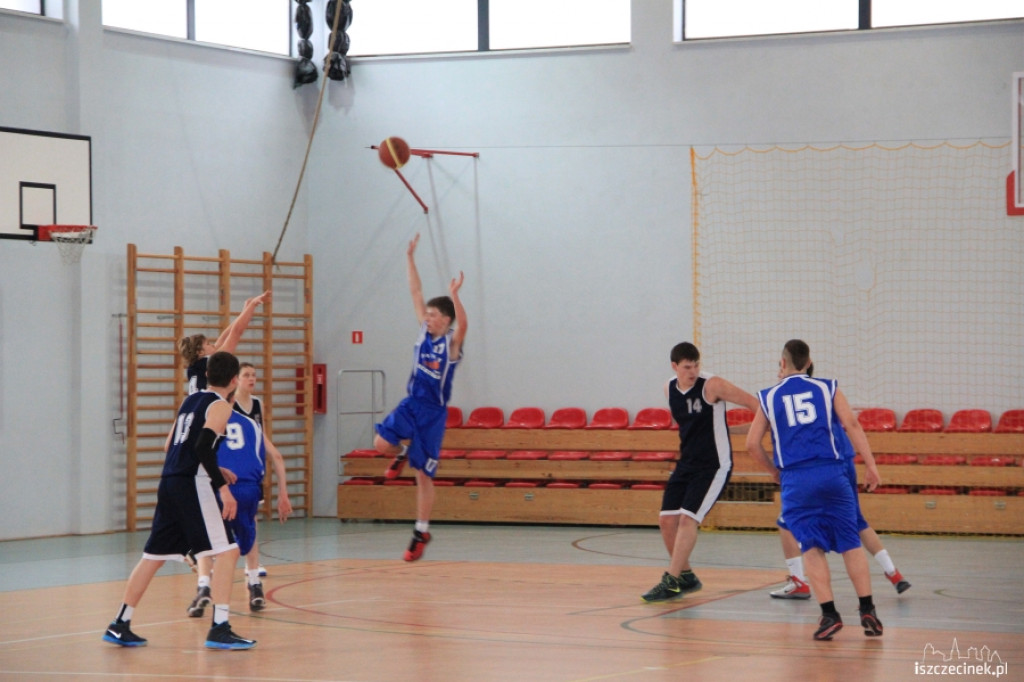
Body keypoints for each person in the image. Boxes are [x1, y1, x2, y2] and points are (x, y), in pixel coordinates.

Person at [102, 351, 256, 650]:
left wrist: (214, 466)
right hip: (190, 485)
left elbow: (171, 445)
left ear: (208, 375)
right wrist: (222, 487)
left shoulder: (190, 401)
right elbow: (201, 445)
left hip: (169, 481)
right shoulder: (220, 406)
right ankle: (220, 627)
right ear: (235, 380)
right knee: (228, 551)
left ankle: (120, 623)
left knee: (153, 556)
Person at [746, 339, 884, 641]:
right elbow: (852, 425)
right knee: (850, 541)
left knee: (810, 546)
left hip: (796, 478)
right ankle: (868, 610)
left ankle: (830, 615)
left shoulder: (769, 397)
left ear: (782, 364)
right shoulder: (826, 387)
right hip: (832, 472)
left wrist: (774, 472)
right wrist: (871, 465)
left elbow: (751, 444)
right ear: (809, 363)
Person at [768, 364, 910, 600]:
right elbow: (849, 425)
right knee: (857, 521)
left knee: (787, 522)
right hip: (843, 461)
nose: (778, 373)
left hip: (822, 469)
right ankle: (893, 572)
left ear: (788, 367)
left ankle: (799, 581)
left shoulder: (782, 396)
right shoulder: (822, 392)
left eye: (780, 368)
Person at [641, 342, 760, 602]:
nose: (693, 371)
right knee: (667, 520)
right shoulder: (669, 388)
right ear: (675, 367)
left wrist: (758, 429)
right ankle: (687, 577)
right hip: (687, 463)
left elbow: (755, 403)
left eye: (696, 365)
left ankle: (670, 580)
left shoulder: (712, 385)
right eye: (687, 367)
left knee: (687, 519)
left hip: (714, 465)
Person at [375, 233, 466, 562]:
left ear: (445, 320)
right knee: (380, 444)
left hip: (433, 413)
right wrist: (410, 257)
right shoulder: (422, 333)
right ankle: (399, 453)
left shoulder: (450, 346)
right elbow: (415, 291)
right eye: (425, 314)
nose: (426, 318)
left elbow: (464, 323)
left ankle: (421, 530)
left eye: (433, 315)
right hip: (411, 403)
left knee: (423, 476)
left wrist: (455, 296)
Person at [187, 362, 293, 617]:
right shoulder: (249, 424)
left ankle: (206, 588)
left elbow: (197, 450)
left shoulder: (218, 413)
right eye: (246, 375)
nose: (251, 379)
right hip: (248, 483)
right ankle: (253, 583)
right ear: (236, 381)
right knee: (247, 531)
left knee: (210, 538)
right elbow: (272, 455)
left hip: (221, 482)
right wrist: (281, 492)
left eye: (254, 375)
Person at [180, 291, 271, 394]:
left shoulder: (196, 365)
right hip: (205, 405)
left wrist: (245, 310)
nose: (214, 345)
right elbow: (236, 332)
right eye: (208, 344)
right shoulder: (209, 362)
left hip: (195, 404)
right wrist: (253, 305)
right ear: (200, 352)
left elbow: (224, 337)